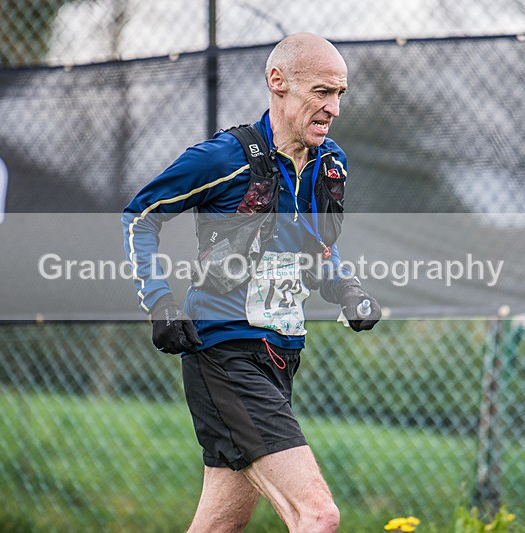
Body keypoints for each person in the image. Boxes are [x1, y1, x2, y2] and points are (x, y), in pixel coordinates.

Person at [122, 32, 381, 533]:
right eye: (321, 92)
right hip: (225, 352)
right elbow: (140, 217)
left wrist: (345, 287)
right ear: (278, 82)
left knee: (219, 526)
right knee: (319, 515)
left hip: (281, 355)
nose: (333, 108)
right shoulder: (223, 159)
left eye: (340, 95)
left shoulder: (330, 164)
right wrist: (160, 301)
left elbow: (314, 248)